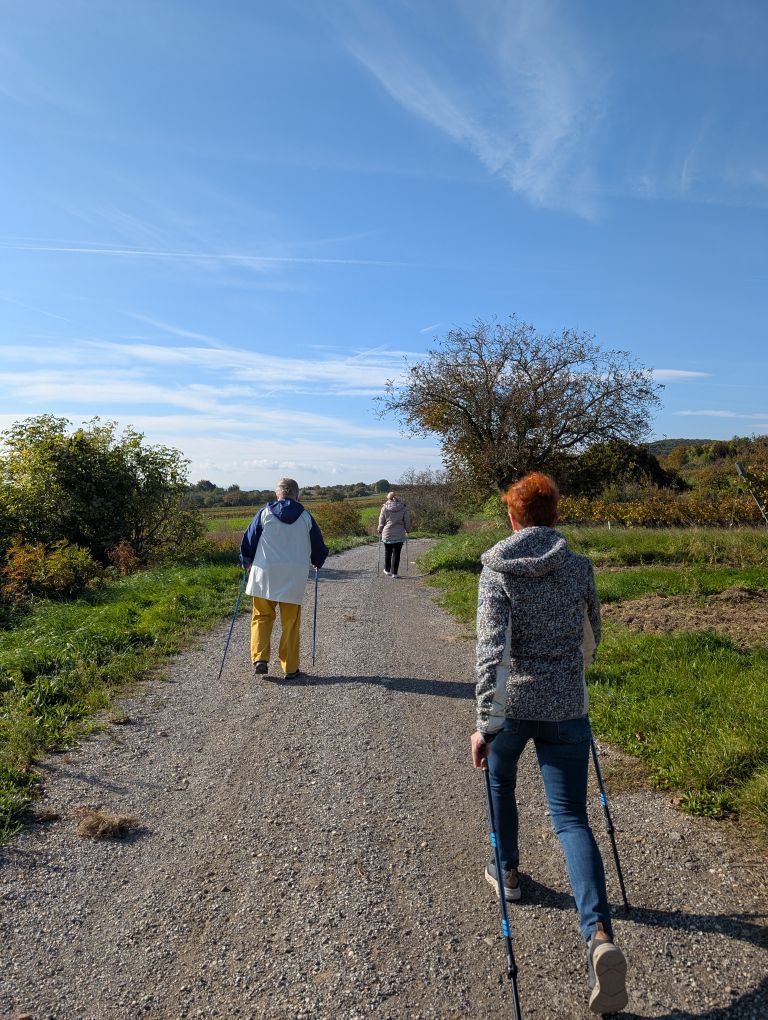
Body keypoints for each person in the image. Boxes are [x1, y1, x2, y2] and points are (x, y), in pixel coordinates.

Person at [470, 472, 629, 1016]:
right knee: (571, 819)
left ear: (512, 517)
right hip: (566, 707)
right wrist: (572, 676)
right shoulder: (579, 566)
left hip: (512, 707)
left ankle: (508, 871)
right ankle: (599, 934)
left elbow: (492, 653)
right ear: (554, 515)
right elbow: (592, 635)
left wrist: (484, 724)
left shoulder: (496, 569)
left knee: (501, 783)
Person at [240, 478, 328, 679]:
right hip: (293, 575)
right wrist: (318, 560)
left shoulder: (264, 513)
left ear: (277, 494)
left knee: (261, 617)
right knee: (291, 623)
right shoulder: (305, 516)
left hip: (265, 573)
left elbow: (249, 540)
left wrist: (246, 560)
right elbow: (318, 544)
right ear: (297, 495)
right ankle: (290, 667)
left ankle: (260, 659)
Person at [377, 491, 411, 577]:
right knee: (397, 554)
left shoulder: (384, 508)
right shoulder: (403, 508)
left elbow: (381, 521)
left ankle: (387, 570)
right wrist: (408, 530)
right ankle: (394, 573)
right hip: (399, 534)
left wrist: (380, 529)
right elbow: (407, 521)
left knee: (388, 552)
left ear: (388, 498)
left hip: (387, 534)